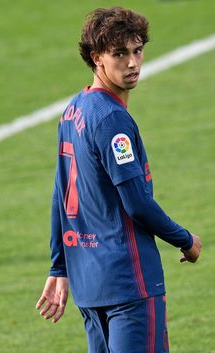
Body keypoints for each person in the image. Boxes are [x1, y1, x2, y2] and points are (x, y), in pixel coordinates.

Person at [36, 7, 202, 353]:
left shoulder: (73, 110)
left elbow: (59, 193)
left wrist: (59, 265)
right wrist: (185, 239)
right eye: (120, 53)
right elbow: (137, 203)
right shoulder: (112, 120)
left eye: (137, 50)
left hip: (89, 283)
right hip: (129, 284)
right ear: (96, 58)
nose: (133, 63)